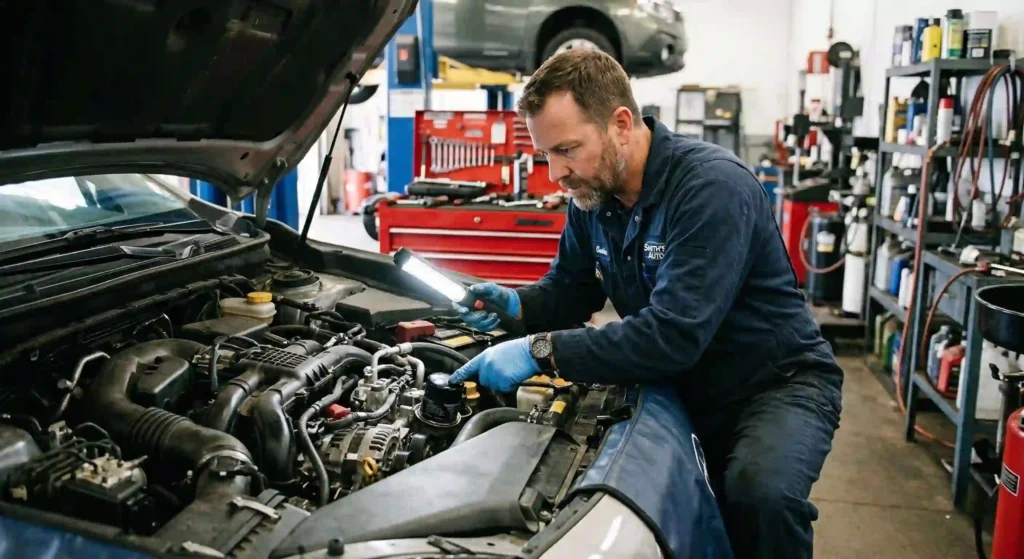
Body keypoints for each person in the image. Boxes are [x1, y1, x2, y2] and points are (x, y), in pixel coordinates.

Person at [448, 49, 843, 558]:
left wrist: (540, 350)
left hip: (773, 385)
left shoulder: (710, 188)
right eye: (547, 154)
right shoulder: (594, 196)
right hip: (690, 380)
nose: (556, 174)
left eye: (567, 149)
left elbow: (672, 335)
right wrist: (517, 307)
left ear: (621, 123)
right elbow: (572, 289)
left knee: (759, 496)